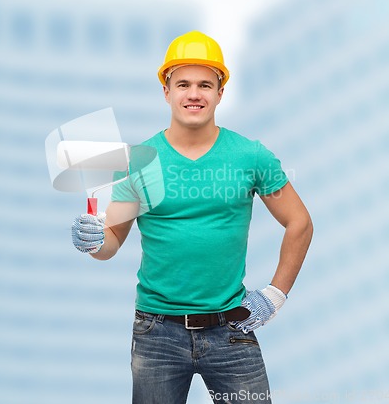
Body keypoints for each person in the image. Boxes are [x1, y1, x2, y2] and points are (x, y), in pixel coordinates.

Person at [71, 31, 313, 404]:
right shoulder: (140, 162)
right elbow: (113, 241)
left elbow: (299, 222)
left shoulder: (251, 157)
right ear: (166, 91)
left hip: (232, 328)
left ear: (220, 92)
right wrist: (96, 241)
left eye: (205, 84)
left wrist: (275, 296)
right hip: (157, 333)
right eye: (183, 83)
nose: (194, 93)